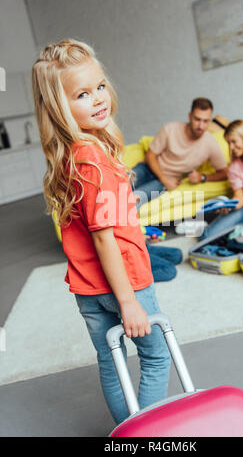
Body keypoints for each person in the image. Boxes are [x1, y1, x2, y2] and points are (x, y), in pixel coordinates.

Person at [31, 39, 171, 426]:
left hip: (87, 288)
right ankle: (147, 437)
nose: (97, 99)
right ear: (60, 107)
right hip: (124, 282)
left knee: (111, 363)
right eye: (82, 94)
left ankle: (128, 433)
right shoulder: (93, 159)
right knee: (156, 356)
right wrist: (128, 302)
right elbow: (103, 237)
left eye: (100, 87)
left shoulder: (69, 154)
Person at [132, 98, 228, 208]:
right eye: (197, 119)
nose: (201, 126)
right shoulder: (171, 129)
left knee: (135, 198)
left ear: (210, 121)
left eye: (205, 121)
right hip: (148, 169)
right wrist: (164, 178)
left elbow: (224, 173)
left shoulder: (211, 144)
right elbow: (150, 155)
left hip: (164, 182)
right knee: (119, 183)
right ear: (190, 116)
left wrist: (202, 177)